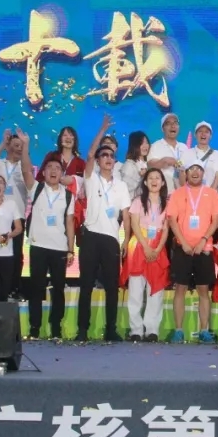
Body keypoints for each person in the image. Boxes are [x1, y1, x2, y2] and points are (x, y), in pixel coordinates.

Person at [77, 115, 131, 342]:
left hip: (110, 239)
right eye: (104, 155)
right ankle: (82, 330)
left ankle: (111, 329)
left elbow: (126, 215)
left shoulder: (121, 186)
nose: (108, 158)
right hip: (90, 236)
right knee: (86, 285)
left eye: (111, 155)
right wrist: (102, 129)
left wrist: (126, 239)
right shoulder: (90, 178)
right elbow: (89, 154)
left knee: (112, 286)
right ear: (98, 161)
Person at [167, 160, 218, 343]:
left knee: (203, 289)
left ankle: (204, 330)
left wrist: (203, 241)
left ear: (203, 173)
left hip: (204, 248)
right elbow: (172, 220)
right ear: (186, 173)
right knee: (180, 288)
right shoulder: (178, 193)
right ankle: (178, 330)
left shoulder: (212, 193)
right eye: (191, 169)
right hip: (182, 248)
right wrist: (183, 243)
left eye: (199, 169)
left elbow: (215, 221)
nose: (195, 172)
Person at [24, 153, 76, 340]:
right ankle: (34, 328)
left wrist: (71, 249)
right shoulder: (36, 188)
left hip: (59, 248)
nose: (53, 171)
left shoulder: (68, 195)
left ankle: (56, 328)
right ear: (43, 172)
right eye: (50, 168)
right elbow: (25, 170)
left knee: (58, 289)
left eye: (57, 168)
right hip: (38, 246)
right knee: (36, 288)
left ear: (62, 173)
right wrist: (25, 146)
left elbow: (70, 222)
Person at [0, 128, 35, 299]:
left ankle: (14, 288)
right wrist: (3, 143)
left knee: (15, 254)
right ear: (8, 147)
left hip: (16, 218)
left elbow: (29, 173)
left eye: (21, 146)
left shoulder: (26, 168)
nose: (18, 148)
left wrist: (25, 147)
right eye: (15, 145)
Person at [126, 168, 170, 342]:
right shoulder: (138, 201)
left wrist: (157, 249)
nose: (154, 181)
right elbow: (134, 225)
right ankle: (136, 330)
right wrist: (145, 246)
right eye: (150, 178)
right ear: (145, 182)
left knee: (156, 290)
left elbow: (166, 229)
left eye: (157, 178)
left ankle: (152, 330)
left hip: (158, 246)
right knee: (136, 290)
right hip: (139, 245)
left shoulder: (167, 203)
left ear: (163, 182)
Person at [147, 113, 188, 192]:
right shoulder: (155, 146)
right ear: (162, 128)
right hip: (163, 193)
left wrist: (178, 165)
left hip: (182, 193)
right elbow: (150, 166)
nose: (173, 126)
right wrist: (163, 161)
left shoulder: (184, 147)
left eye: (175, 123)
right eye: (168, 123)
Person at [182, 121, 218, 189]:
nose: (203, 134)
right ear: (195, 135)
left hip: (210, 193)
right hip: (190, 193)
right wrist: (186, 192)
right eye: (200, 131)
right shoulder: (186, 153)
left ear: (210, 136)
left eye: (206, 132)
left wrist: (209, 193)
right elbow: (178, 171)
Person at [121, 131, 150, 200]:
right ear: (134, 146)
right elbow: (125, 189)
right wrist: (141, 177)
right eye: (141, 143)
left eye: (146, 142)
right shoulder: (129, 165)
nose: (145, 146)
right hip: (133, 203)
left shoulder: (149, 163)